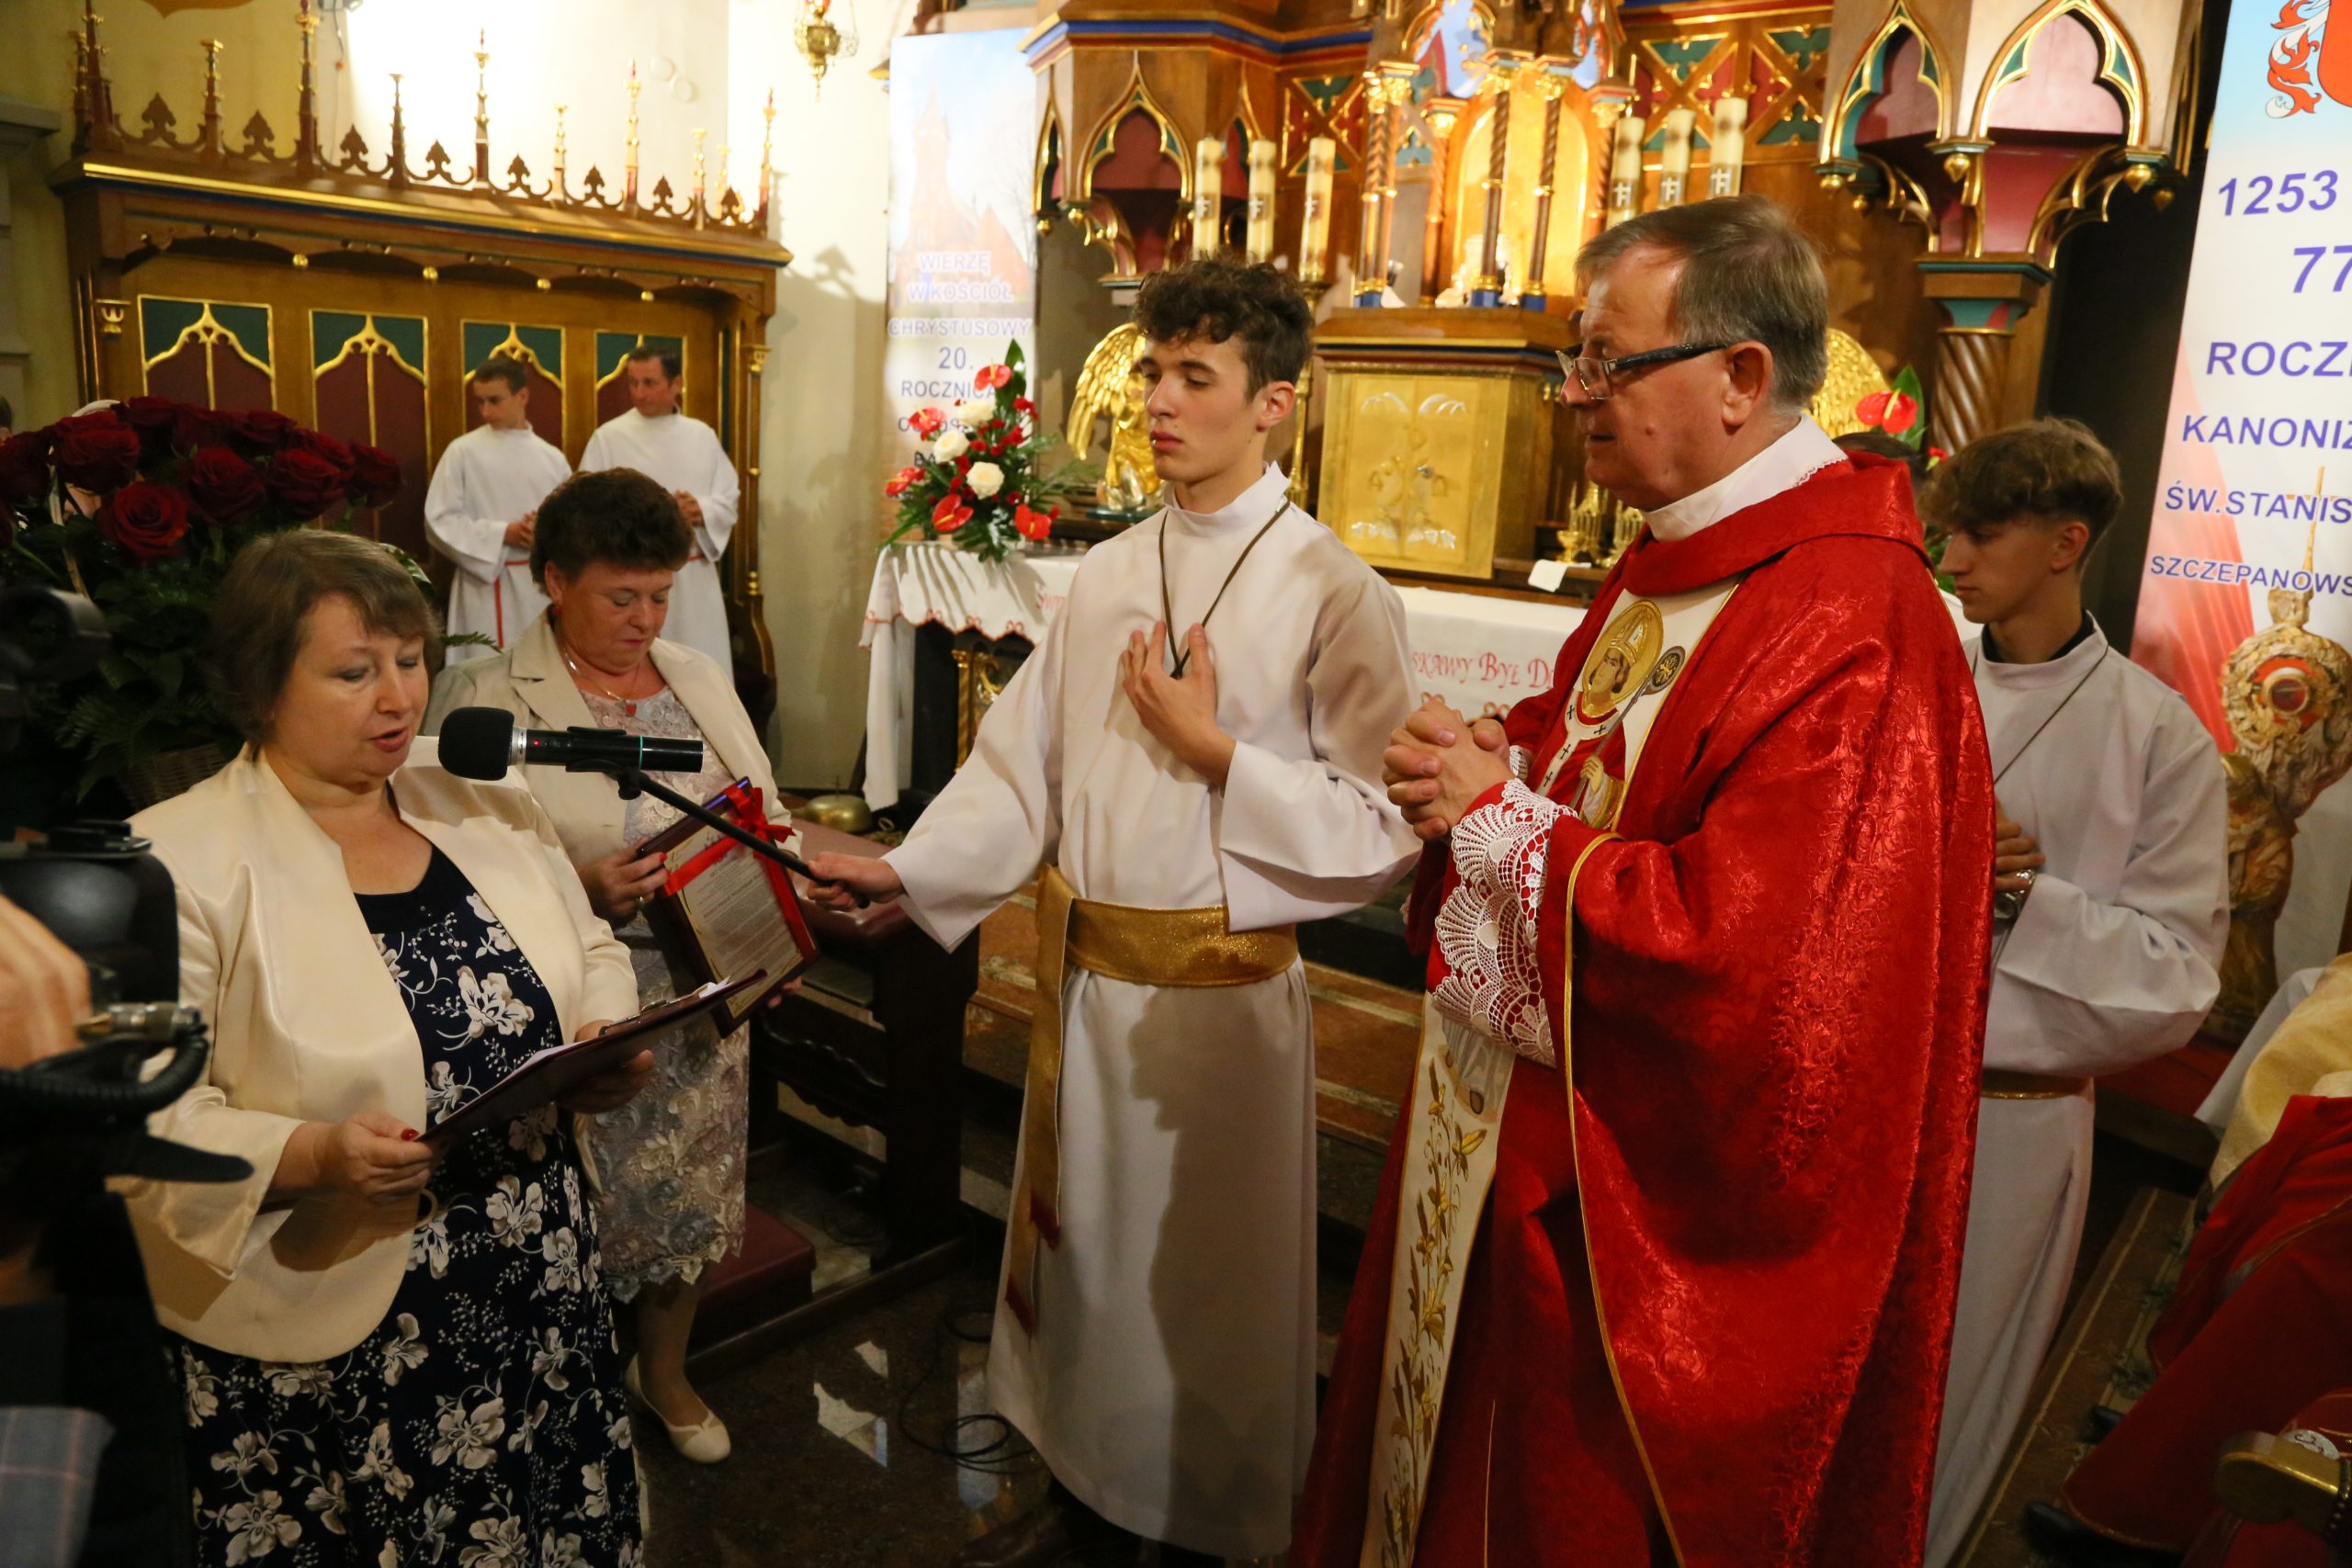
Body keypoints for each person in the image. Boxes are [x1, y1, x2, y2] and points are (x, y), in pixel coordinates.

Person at [1294, 194, 1995, 1568]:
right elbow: (1594, 759)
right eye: (1579, 357)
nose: (1574, 395)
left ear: (1740, 377)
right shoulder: (1676, 556)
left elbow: (1765, 982)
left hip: (1642, 1216)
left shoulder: (1852, 618)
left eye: (1607, 361)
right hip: (1515, 1136)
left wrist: (1498, 822)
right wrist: (1497, 762)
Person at [808, 257, 1419, 1567]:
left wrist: (1219, 755)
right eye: (1153, 371)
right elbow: (1023, 762)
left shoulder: (1331, 588)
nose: (1158, 400)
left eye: (1196, 376)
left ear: (1274, 403)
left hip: (1218, 1021)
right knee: (1084, 1267)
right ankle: (1089, 1491)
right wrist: (910, 870)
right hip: (1084, 994)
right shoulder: (1109, 570)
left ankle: (1200, 1521)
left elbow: (1385, 826)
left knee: (1193, 1290)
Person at [121, 529, 649, 1567]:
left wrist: (600, 1036)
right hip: (337, 1309)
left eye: (410, 661)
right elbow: (143, 1115)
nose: (399, 698)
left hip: (537, 1267)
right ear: (261, 687)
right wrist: (314, 1153)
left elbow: (590, 945)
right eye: (354, 672)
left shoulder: (481, 794)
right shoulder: (176, 858)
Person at [428, 467, 786, 1467]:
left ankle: (662, 1373)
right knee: (576, 1205)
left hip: (701, 992)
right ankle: (565, 1389)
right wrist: (581, 889)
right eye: (621, 597)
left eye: (660, 595)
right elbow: (448, 875)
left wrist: (780, 912)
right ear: (554, 581)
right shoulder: (488, 696)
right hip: (573, 1009)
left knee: (688, 1198)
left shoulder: (694, 674)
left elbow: (762, 809)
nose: (646, 620)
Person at [1920, 419, 2229, 1564]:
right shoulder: (1914, 686)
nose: (1952, 558)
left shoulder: (2156, 736)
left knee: (1949, 1400)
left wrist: (2020, 897)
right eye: (1947, 530)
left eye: (1981, 534)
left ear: (2065, 543)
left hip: (2012, 1120)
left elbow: (2177, 978)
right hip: (1870, 1093)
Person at [579, 347, 738, 671]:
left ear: (675, 383)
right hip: (629, 577)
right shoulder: (609, 437)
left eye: (649, 383)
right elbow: (586, 503)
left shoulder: (701, 436)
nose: (639, 393)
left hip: (691, 578)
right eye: (633, 383)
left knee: (697, 668)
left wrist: (701, 510)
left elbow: (728, 498)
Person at [424, 355, 571, 658]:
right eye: (480, 402)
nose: (486, 412)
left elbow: (573, 519)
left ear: (523, 396)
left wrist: (542, 531)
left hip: (538, 586)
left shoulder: (552, 458)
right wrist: (504, 533)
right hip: (484, 586)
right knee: (481, 666)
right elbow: (439, 520)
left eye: (495, 400)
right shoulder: (462, 452)